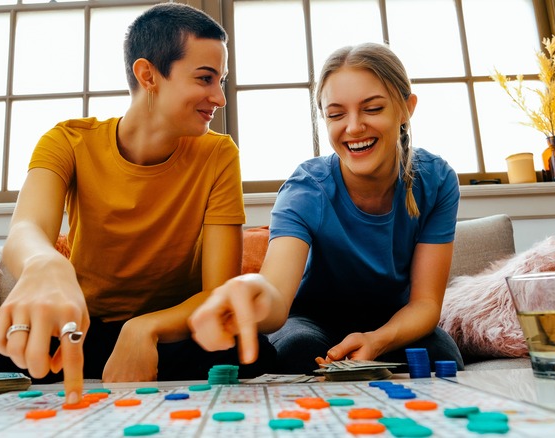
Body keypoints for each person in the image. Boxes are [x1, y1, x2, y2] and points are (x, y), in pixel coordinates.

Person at [0, 3, 275, 404]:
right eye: (205, 79)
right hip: (77, 331)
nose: (220, 97)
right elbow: (26, 230)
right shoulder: (68, 141)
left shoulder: (219, 154)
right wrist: (44, 262)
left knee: (255, 353)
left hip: (168, 335)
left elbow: (217, 292)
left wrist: (143, 330)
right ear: (148, 75)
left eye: (222, 81)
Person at [189, 42, 464, 375]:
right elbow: (276, 292)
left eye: (372, 109)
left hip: (392, 319)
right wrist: (252, 289)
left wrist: (378, 340)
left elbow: (425, 304)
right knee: (298, 351)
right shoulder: (307, 187)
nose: (353, 127)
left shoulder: (436, 180)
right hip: (311, 319)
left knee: (441, 354)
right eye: (336, 114)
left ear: (406, 108)